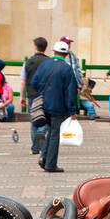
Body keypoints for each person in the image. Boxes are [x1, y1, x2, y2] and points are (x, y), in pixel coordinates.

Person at [30, 40, 77, 173]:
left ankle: (44, 157)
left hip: (43, 104)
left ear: (54, 52)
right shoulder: (67, 68)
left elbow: (34, 82)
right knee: (55, 134)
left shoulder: (45, 64)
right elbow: (70, 92)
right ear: (66, 54)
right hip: (58, 106)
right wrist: (72, 110)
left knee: (51, 132)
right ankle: (50, 164)